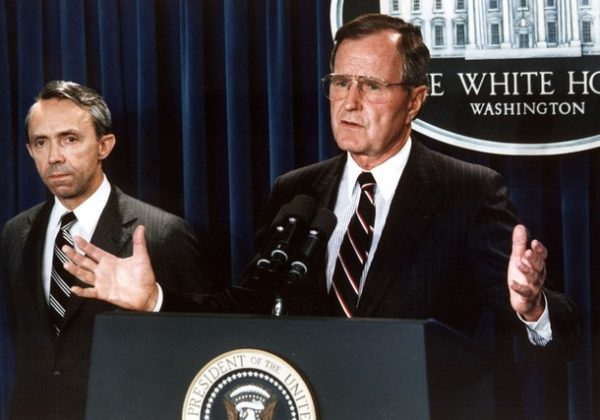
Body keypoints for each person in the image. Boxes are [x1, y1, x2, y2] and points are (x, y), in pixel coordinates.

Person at [62, 14, 580, 419]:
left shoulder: (469, 190)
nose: (349, 102)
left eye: (372, 86)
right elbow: (251, 306)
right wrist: (152, 300)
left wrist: (531, 307)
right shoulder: (298, 189)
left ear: (415, 100)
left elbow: (555, 339)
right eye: (339, 82)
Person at [0, 80, 217, 420]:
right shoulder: (15, 234)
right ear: (30, 150)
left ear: (104, 145)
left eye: (70, 139)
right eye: (41, 142)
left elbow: (200, 348)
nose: (54, 156)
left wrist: (154, 303)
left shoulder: (161, 234)